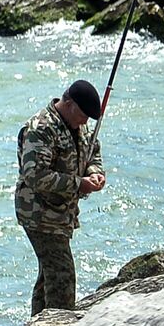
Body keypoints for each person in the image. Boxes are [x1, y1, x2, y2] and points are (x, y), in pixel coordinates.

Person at [15, 79, 106, 313]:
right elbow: (35, 175)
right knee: (63, 276)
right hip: (39, 214)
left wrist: (94, 173)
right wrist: (79, 184)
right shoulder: (41, 128)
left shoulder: (78, 125)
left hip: (61, 214)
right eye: (83, 115)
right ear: (70, 104)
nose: (85, 122)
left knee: (49, 274)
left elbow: (91, 152)